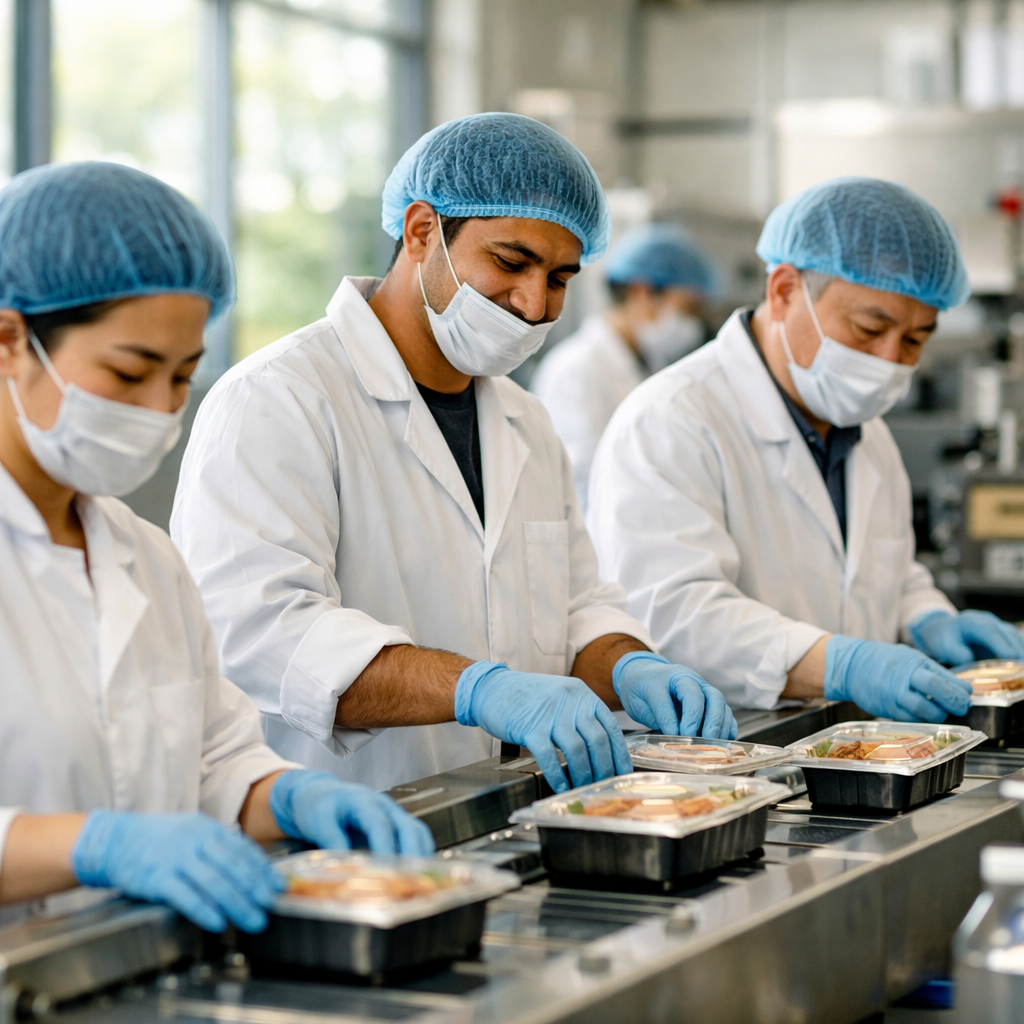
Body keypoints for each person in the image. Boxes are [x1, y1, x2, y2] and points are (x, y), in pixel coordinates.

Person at [171, 113, 737, 797]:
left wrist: (628, 667)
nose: (534, 304)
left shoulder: (524, 420)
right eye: (510, 262)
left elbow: (577, 607)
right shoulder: (277, 400)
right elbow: (262, 635)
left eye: (560, 277)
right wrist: (478, 689)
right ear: (420, 233)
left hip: (494, 824)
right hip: (337, 834)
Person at [0, 162, 433, 935]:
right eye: (129, 372)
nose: (160, 410)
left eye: (181, 376)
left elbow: (214, 763)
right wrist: (92, 846)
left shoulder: (146, 559)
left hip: (131, 972)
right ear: (9, 341)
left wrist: (289, 796)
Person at [587, 177, 1024, 722]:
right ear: (785, 291)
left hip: (845, 756)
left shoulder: (867, 430)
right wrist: (842, 664)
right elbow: (675, 617)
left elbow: (885, 572)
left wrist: (927, 618)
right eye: (870, 329)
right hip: (711, 757)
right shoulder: (671, 419)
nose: (889, 361)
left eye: (914, 341)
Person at [531, 223, 714, 511]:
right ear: (642, 292)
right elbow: (582, 489)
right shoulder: (575, 371)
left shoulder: (650, 366)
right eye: (687, 309)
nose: (692, 325)